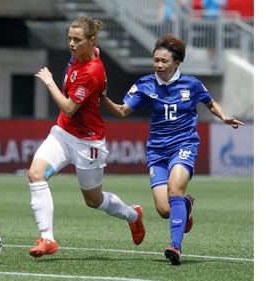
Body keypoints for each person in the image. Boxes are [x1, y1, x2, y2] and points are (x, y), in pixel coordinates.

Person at [101, 33, 244, 265]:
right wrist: (104, 97)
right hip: (157, 151)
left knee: (174, 189)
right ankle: (186, 205)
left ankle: (175, 247)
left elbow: (210, 102)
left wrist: (225, 116)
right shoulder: (145, 84)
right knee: (164, 209)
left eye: (164, 61)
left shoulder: (192, 84)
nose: (158, 65)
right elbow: (122, 111)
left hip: (184, 144)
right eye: (156, 60)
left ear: (177, 62)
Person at [28, 16, 145, 258]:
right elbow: (92, 53)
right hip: (62, 133)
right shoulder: (84, 54)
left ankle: (133, 215)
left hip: (88, 143)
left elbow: (69, 108)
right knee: (35, 174)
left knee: (93, 201)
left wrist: (49, 82)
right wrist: (88, 49)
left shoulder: (91, 72)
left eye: (77, 40)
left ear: (91, 41)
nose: (71, 44)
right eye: (69, 38)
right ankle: (47, 239)